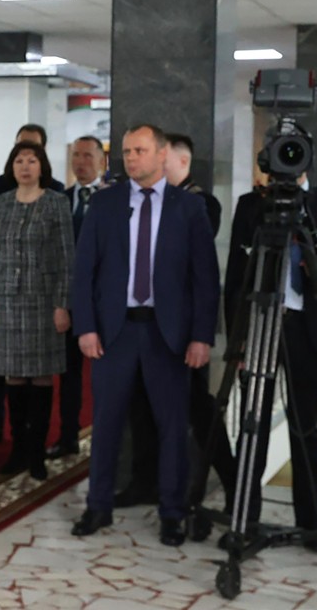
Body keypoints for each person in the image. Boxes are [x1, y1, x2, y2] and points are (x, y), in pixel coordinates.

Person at [70, 124, 218, 547]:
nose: (130, 158)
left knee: (173, 426)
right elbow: (85, 272)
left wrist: (201, 336)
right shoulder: (105, 203)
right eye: (126, 151)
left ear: (162, 154)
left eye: (139, 150)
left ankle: (172, 512)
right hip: (114, 333)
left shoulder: (188, 208)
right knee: (107, 424)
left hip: (167, 335)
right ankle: (98, 506)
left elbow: (204, 279)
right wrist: (86, 327)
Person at [224, 172, 317, 533]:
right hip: (260, 323)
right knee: (254, 426)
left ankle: (310, 523)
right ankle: (244, 517)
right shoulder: (251, 206)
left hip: (305, 326)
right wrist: (238, 338)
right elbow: (236, 275)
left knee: (304, 427)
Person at [115, 132, 235, 508]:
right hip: (139, 323)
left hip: (180, 328)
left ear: (180, 162)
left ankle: (232, 483)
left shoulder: (201, 204)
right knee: (140, 406)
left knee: (197, 410)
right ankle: (143, 482)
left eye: (158, 160)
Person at [0, 141, 74, 479]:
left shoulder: (56, 203)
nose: (25, 166)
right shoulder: (2, 203)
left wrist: (63, 304)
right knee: (14, 377)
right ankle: (18, 448)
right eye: (19, 160)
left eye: (31, 160)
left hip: (44, 303)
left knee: (41, 378)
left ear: (42, 166)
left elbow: (67, 258)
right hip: (7, 302)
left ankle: (37, 452)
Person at [47, 135, 106, 460]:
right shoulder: (59, 198)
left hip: (104, 304)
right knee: (68, 377)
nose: (81, 162)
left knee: (104, 377)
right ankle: (68, 436)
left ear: (101, 161)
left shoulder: (113, 199)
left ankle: (104, 441)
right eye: (76, 156)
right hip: (67, 302)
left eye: (87, 155)